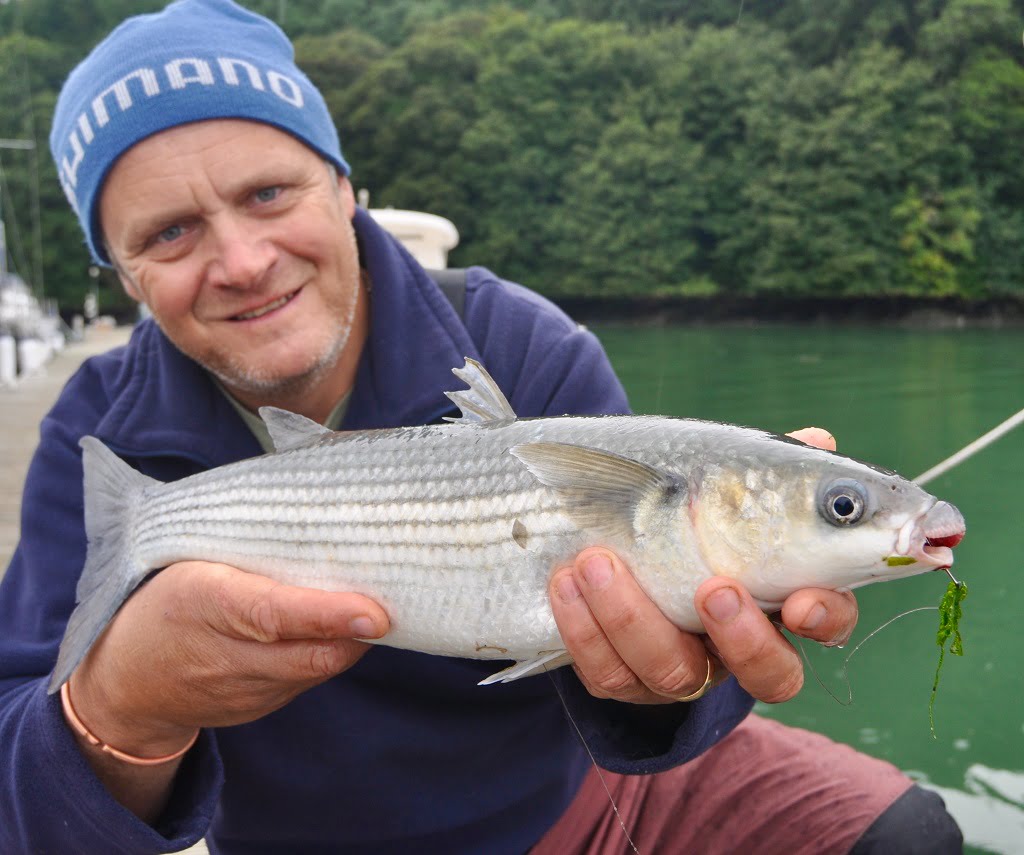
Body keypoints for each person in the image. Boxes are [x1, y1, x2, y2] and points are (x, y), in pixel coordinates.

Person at [0, 1, 961, 852]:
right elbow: (18, 794)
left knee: (904, 830)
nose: (244, 260)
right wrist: (123, 707)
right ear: (124, 276)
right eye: (168, 233)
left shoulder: (523, 347)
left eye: (268, 193)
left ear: (343, 188)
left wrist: (682, 683)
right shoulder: (98, 435)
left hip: (574, 807)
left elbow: (665, 676)